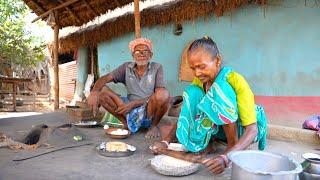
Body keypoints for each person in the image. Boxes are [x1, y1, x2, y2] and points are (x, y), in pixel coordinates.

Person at [151, 36, 267, 174]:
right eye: (193, 68)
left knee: (218, 91)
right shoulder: (199, 81)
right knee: (192, 93)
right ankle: (212, 142)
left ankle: (231, 146)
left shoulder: (235, 80)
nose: (197, 73)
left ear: (217, 60)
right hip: (219, 130)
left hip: (243, 130)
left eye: (201, 67)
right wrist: (166, 142)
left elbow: (252, 129)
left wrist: (226, 158)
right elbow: (187, 112)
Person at [87, 38, 170, 138]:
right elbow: (105, 78)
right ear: (133, 55)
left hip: (148, 108)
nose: (141, 54)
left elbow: (159, 94)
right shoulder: (126, 67)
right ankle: (126, 124)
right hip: (127, 106)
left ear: (150, 55)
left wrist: (133, 104)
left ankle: (153, 126)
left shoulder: (157, 67)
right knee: (102, 92)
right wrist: (94, 92)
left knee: (163, 94)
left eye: (145, 51)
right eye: (137, 51)